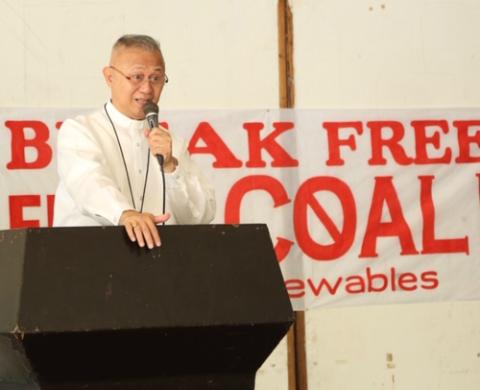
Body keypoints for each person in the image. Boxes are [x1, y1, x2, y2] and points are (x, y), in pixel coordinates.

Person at [53, 34, 216, 249]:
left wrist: (171, 167)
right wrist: (125, 214)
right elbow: (88, 183)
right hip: (88, 261)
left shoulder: (172, 144)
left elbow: (199, 216)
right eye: (137, 77)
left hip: (158, 268)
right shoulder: (81, 131)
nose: (147, 89)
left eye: (156, 78)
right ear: (109, 77)